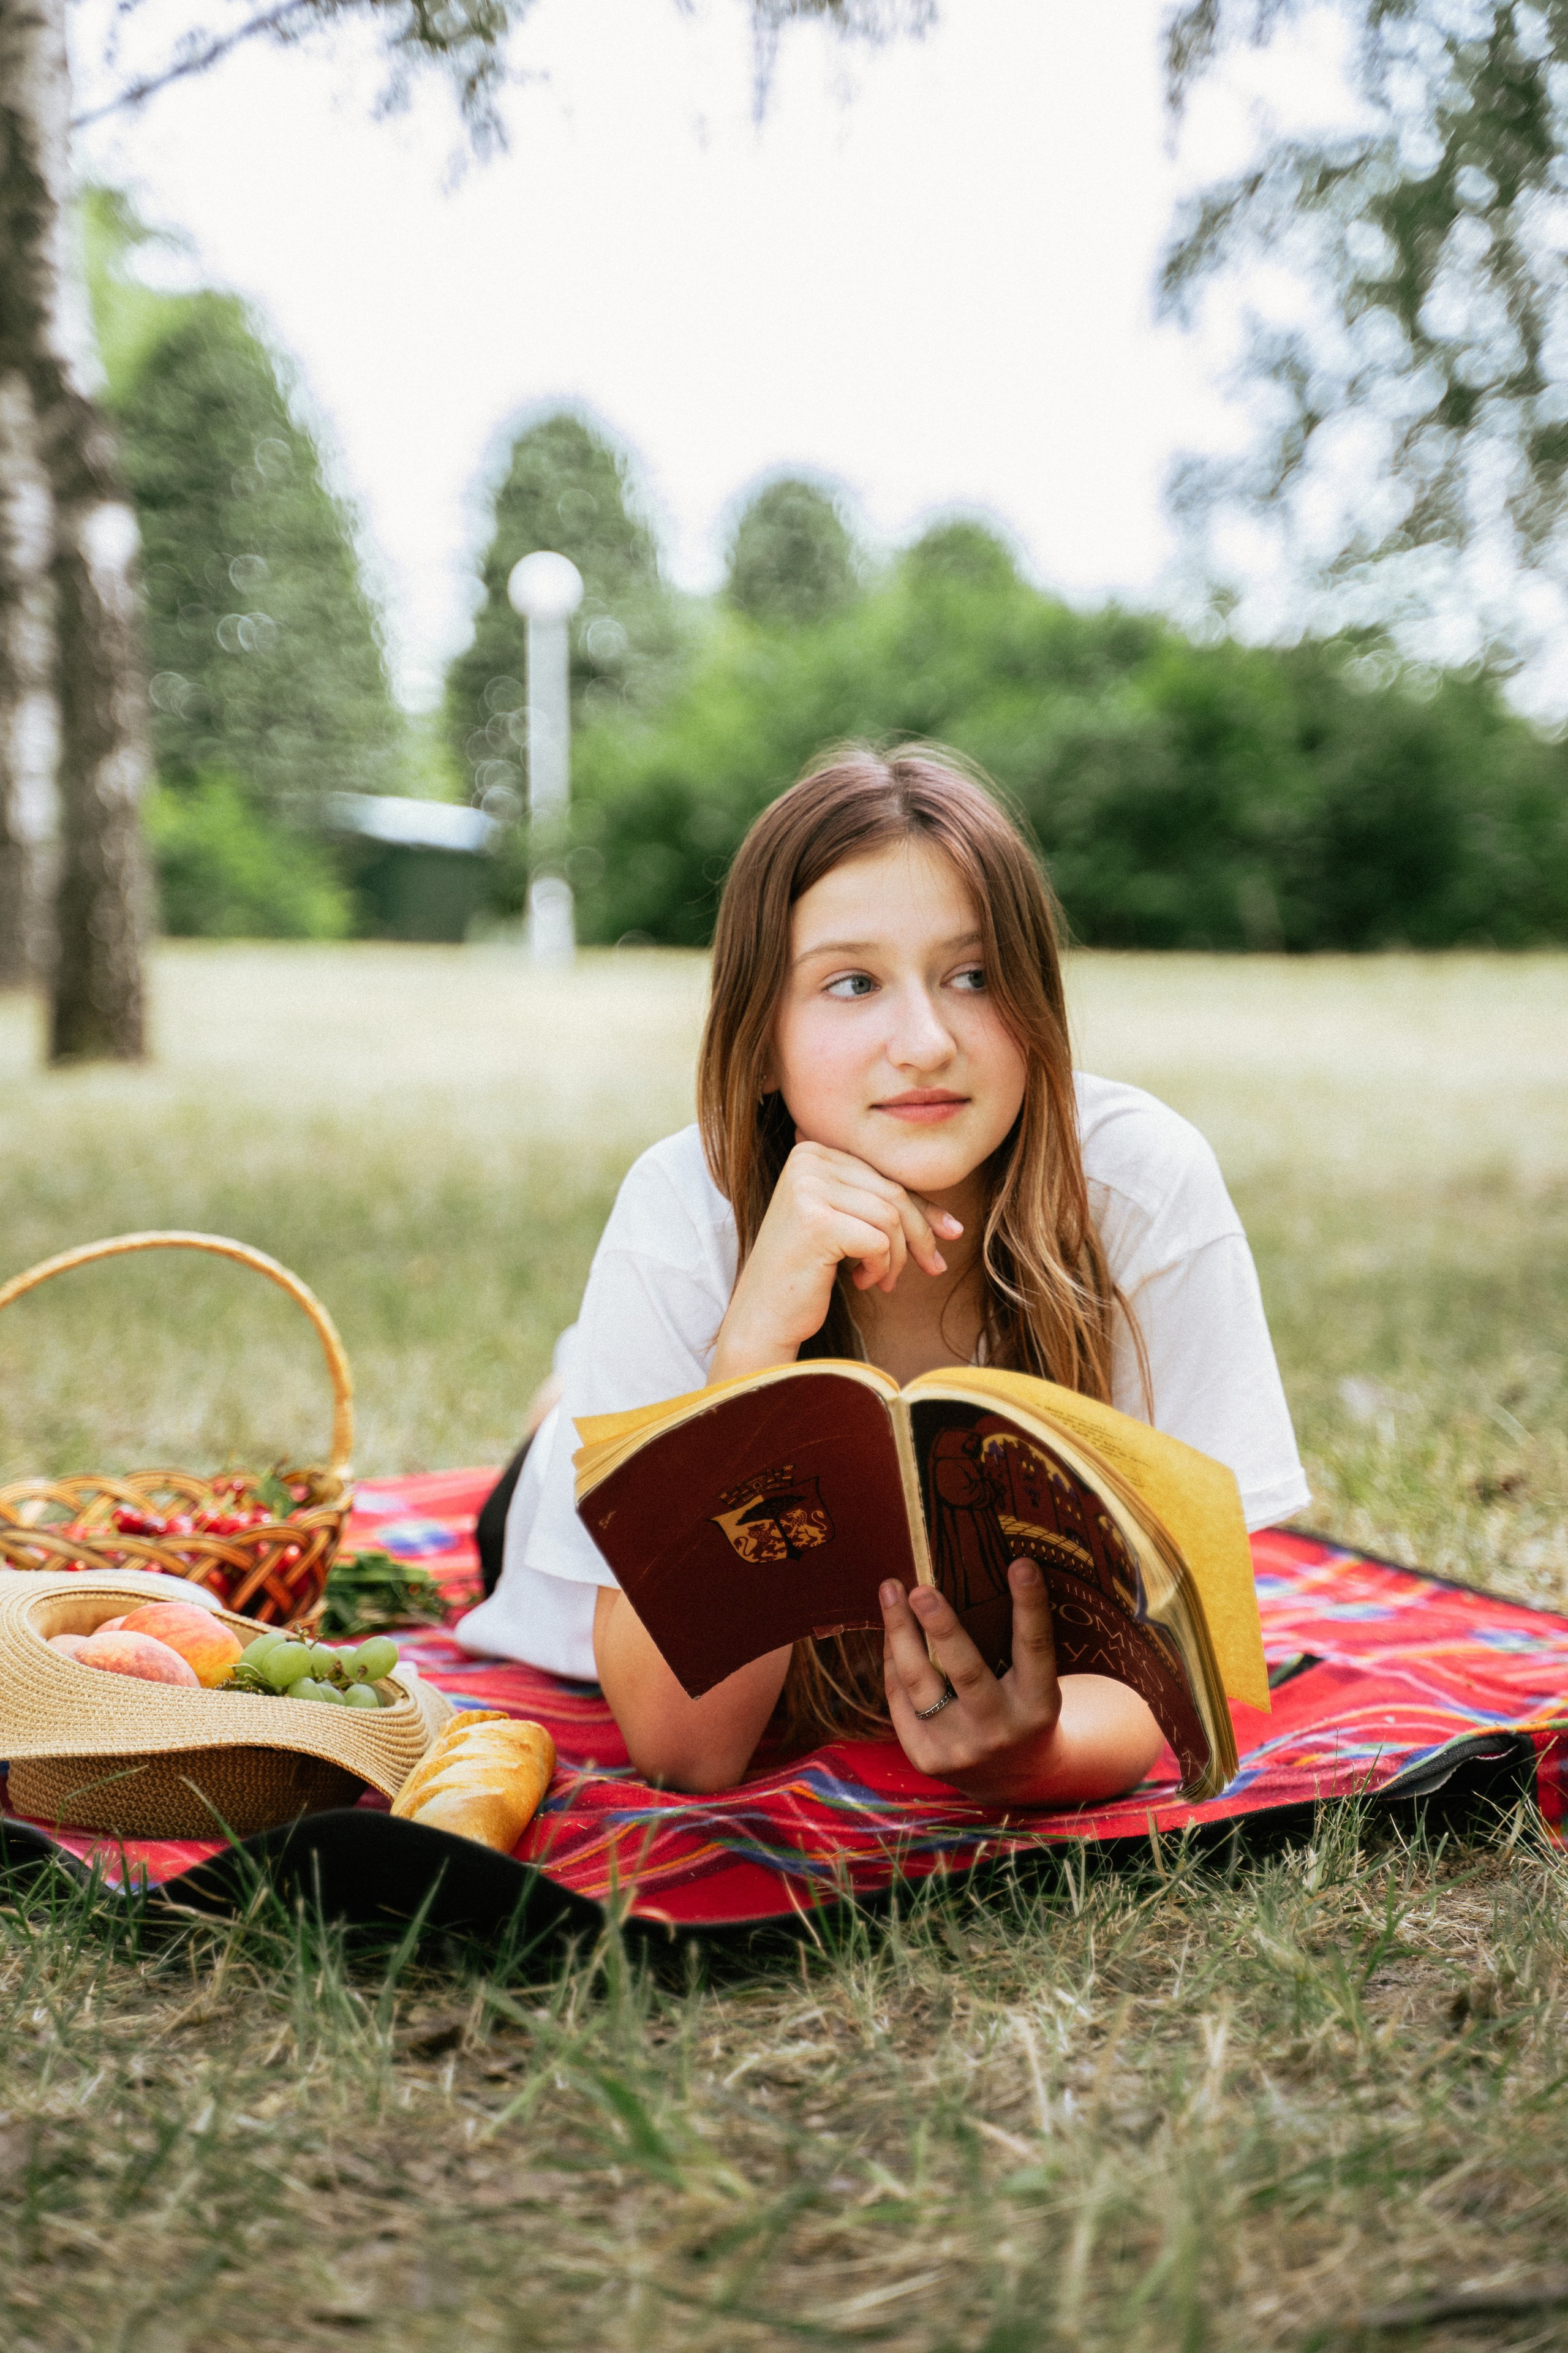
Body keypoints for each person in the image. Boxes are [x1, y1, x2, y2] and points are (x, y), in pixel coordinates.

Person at [455, 747, 1309, 1802]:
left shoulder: (1137, 1184)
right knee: (569, 1428)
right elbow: (686, 1749)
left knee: (602, 1371)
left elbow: (1183, 1676)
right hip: (575, 1527)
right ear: (760, 1039)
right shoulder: (684, 1210)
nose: (926, 1041)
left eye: (976, 974)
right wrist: (754, 1350)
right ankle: (571, 1398)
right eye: (852, 982)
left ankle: (583, 1374)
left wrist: (1038, 1750)